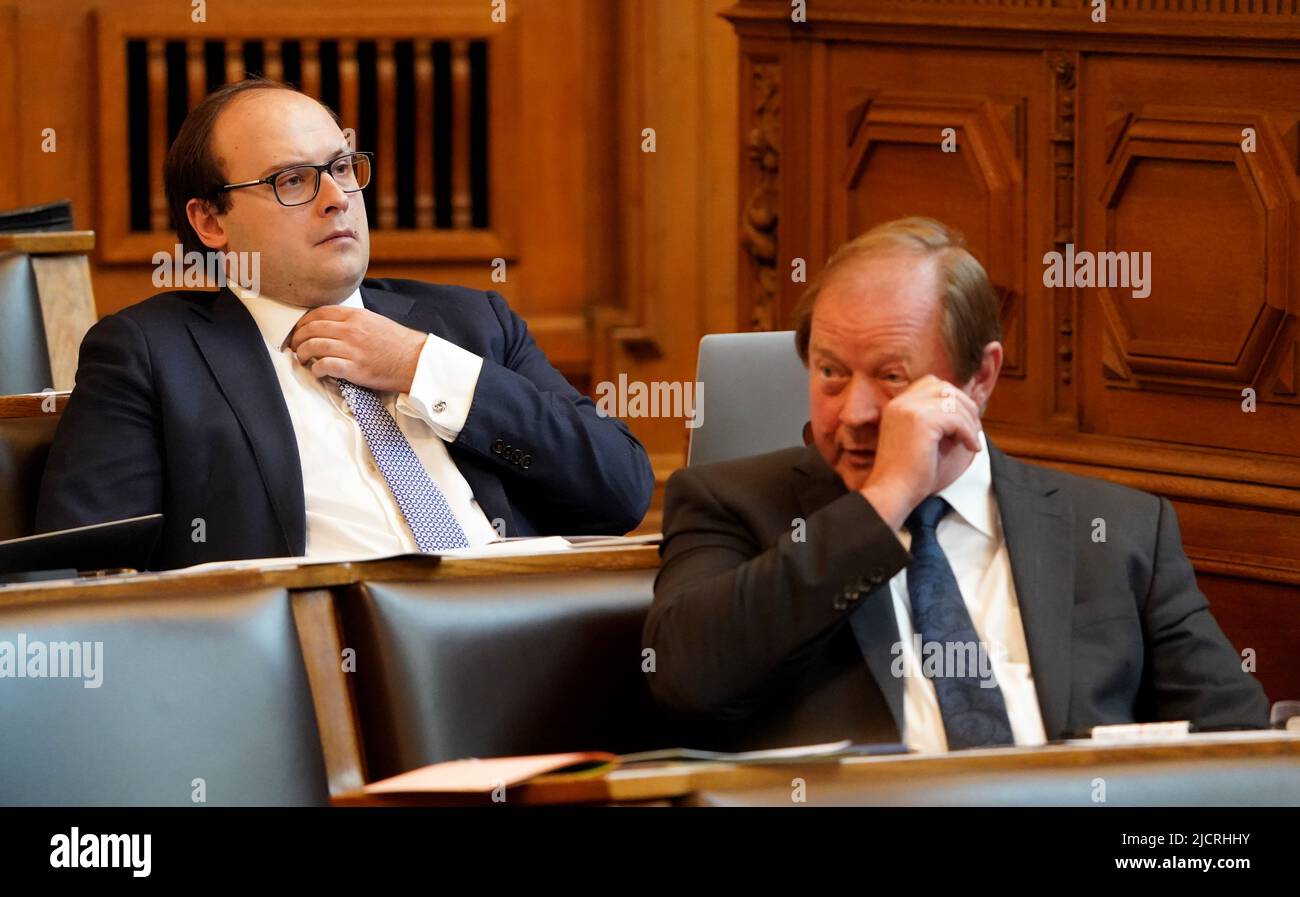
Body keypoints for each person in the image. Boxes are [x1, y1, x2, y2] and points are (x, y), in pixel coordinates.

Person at [645, 217, 1268, 752]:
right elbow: (685, 679)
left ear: (980, 377)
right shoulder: (732, 504)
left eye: (891, 377)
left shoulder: (1117, 531)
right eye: (831, 373)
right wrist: (881, 503)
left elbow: (1238, 748)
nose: (855, 412)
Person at [37, 78, 653, 569]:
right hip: (310, 676)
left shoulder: (472, 324)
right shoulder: (150, 354)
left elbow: (620, 490)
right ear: (211, 222)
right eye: (292, 180)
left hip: (515, 633)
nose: (337, 196)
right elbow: (83, 571)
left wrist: (423, 366)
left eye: (342, 166)